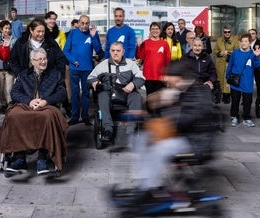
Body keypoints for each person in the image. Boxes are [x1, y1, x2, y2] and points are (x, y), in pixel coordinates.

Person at [130, 61, 219, 195]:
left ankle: (146, 188)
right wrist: (151, 107)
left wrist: (167, 103)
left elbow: (181, 122)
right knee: (141, 139)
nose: (165, 80)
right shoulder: (179, 90)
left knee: (157, 148)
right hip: (181, 135)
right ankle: (146, 181)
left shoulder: (199, 92)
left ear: (180, 78)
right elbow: (165, 118)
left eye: (169, 78)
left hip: (195, 141)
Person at [0, 48, 68, 175]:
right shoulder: (24, 74)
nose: (43, 62)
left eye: (45, 58)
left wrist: (46, 101)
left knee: (47, 117)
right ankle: (20, 158)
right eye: (40, 59)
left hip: (46, 106)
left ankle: (42, 158)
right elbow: (15, 92)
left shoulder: (55, 74)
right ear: (33, 61)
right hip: (27, 105)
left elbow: (62, 93)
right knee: (13, 116)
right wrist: (29, 101)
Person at [88, 41, 145, 142]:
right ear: (109, 51)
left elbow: (141, 78)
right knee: (102, 96)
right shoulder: (103, 65)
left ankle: (131, 130)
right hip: (109, 93)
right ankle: (108, 129)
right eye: (113, 50)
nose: (115, 53)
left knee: (137, 97)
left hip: (127, 93)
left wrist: (132, 84)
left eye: (118, 51)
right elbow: (91, 77)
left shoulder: (131, 64)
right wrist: (94, 81)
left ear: (123, 52)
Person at [63, 14, 103, 126]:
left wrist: (94, 36)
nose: (85, 25)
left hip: (87, 68)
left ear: (89, 24)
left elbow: (98, 50)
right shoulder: (73, 33)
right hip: (74, 68)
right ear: (79, 23)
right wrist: (73, 60)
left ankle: (85, 116)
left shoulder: (93, 34)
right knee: (75, 93)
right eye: (82, 23)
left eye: (87, 23)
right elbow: (66, 50)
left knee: (86, 93)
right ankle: (75, 117)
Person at [226, 34, 260, 127]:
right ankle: (234, 116)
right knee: (235, 100)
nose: (243, 43)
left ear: (250, 43)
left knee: (247, 101)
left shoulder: (252, 53)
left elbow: (258, 65)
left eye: (246, 41)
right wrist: (227, 78)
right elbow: (230, 66)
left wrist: (257, 56)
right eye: (242, 41)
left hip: (247, 81)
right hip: (235, 81)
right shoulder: (235, 53)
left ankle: (246, 117)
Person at [136, 22, 171, 95]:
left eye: (156, 29)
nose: (155, 31)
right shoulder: (145, 43)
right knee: (150, 98)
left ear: (160, 30)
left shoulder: (164, 43)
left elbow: (168, 60)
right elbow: (139, 56)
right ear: (150, 30)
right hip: (148, 76)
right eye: (153, 29)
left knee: (160, 100)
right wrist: (139, 45)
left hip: (161, 76)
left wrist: (167, 75)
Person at [0, 20, 18, 110]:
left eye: (9, 28)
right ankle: (3, 103)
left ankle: (9, 105)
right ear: (1, 29)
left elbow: (15, 53)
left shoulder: (14, 40)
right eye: (6, 28)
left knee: (9, 89)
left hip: (9, 68)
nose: (8, 30)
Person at [213, 25, 237, 104]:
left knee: (228, 79)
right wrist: (220, 52)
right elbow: (215, 50)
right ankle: (220, 95)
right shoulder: (219, 40)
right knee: (220, 79)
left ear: (231, 32)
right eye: (225, 32)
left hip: (229, 63)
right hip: (220, 63)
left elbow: (237, 51)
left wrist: (229, 53)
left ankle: (227, 96)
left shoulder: (235, 40)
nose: (227, 33)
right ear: (223, 32)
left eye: (228, 32)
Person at [248, 28, 260, 103]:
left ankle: (259, 98)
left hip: (257, 64)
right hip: (248, 65)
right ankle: (246, 99)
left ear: (256, 35)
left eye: (253, 33)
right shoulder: (246, 42)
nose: (251, 35)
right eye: (250, 33)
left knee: (258, 82)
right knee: (247, 81)